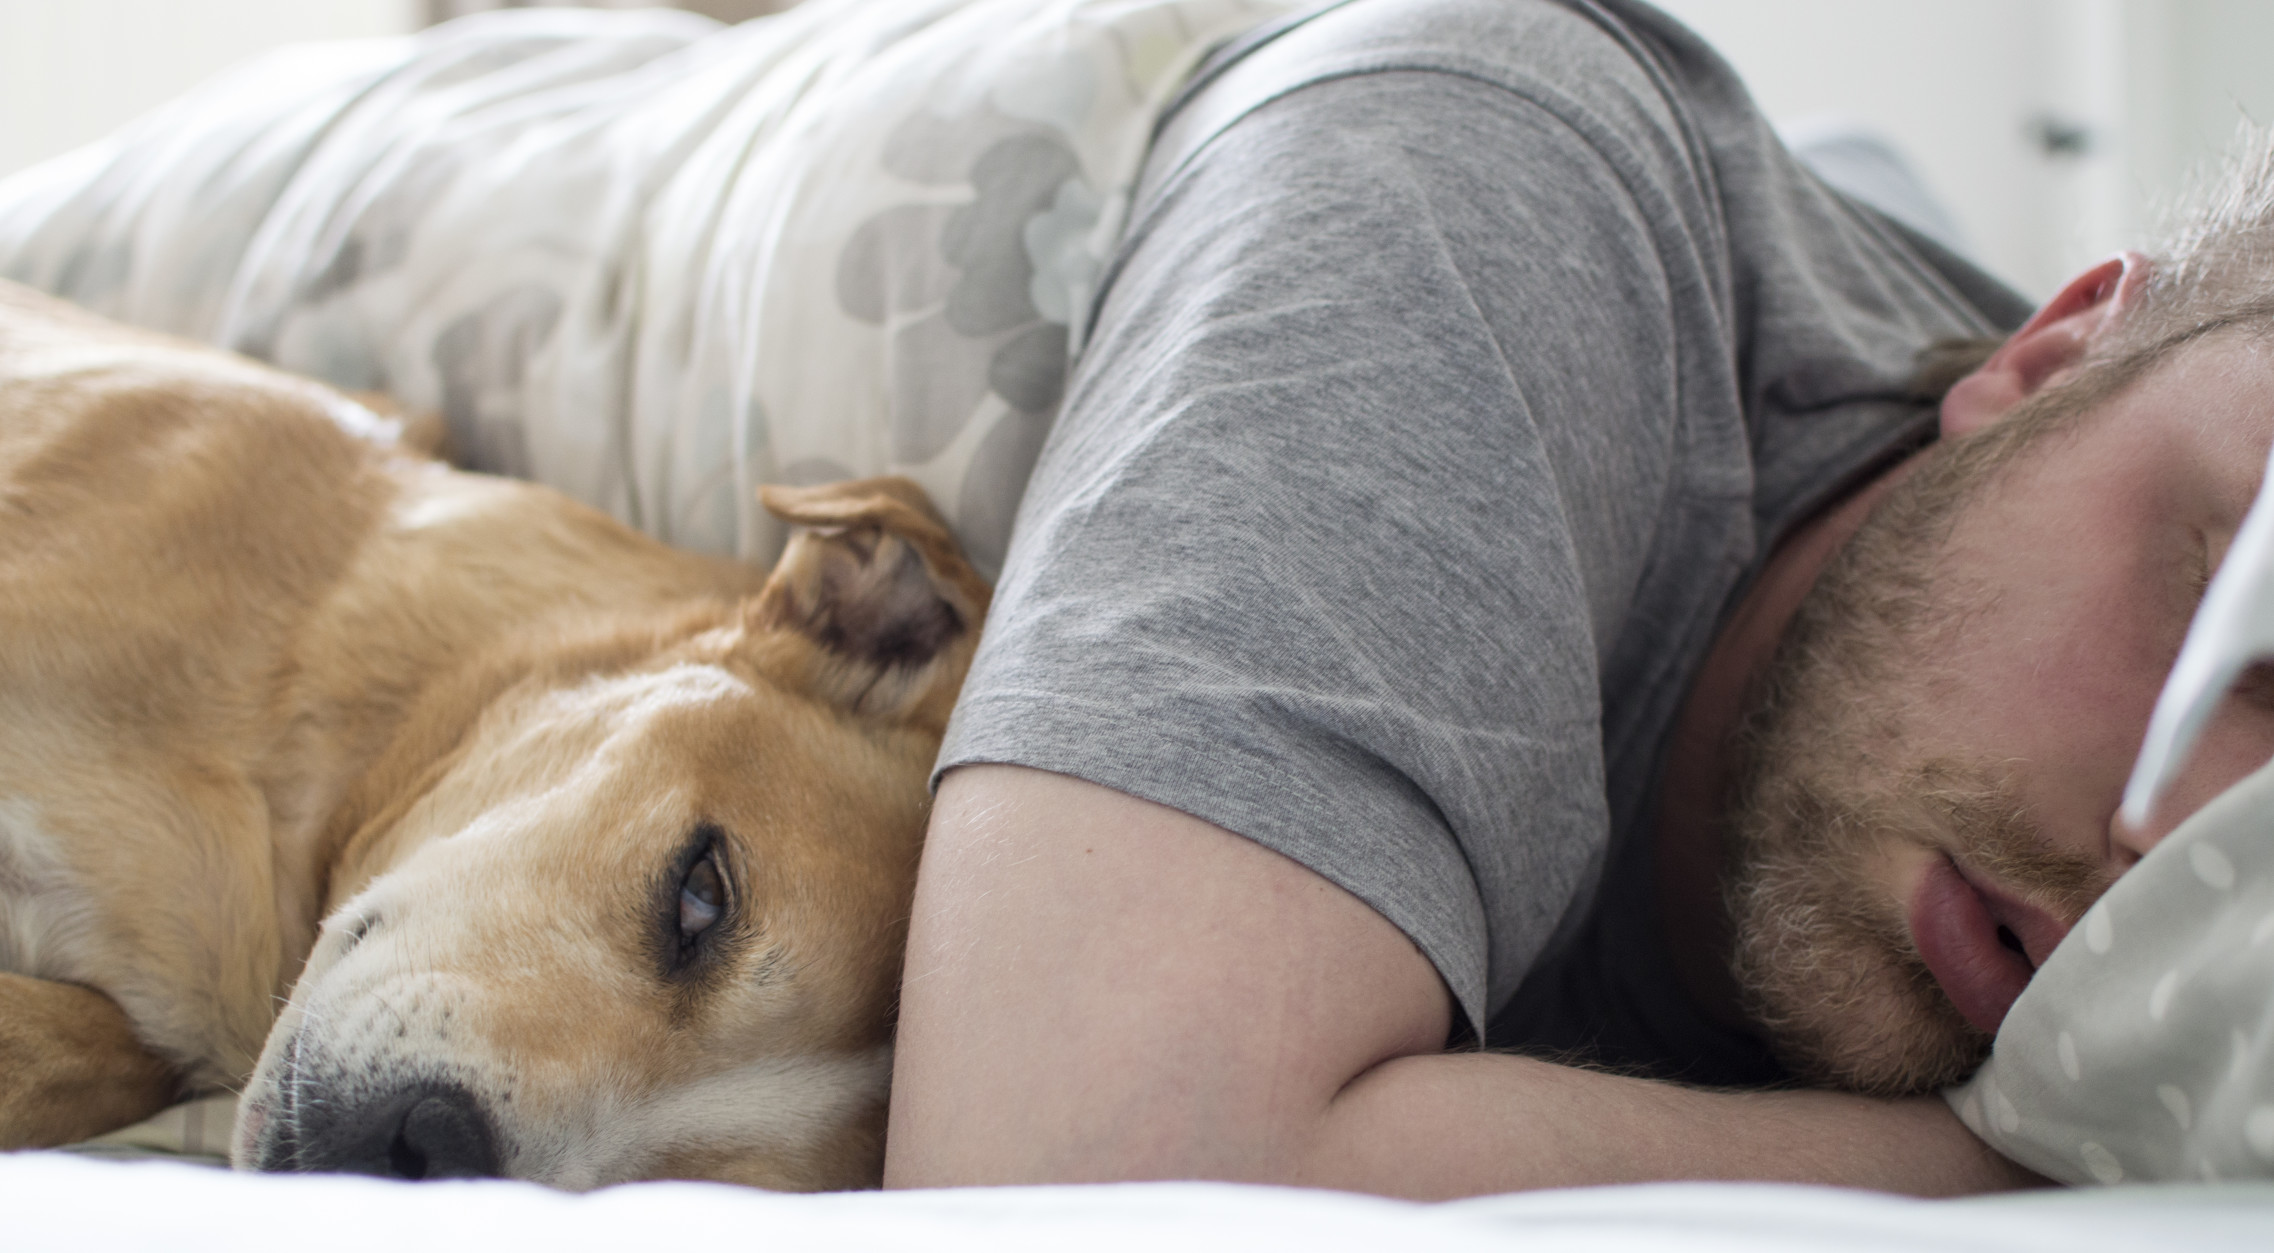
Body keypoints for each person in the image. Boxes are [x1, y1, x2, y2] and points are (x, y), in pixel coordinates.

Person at [882, 0, 2274, 1196]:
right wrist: (2039, 1154)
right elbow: (1072, 1176)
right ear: (2049, 360)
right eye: (2215, 598)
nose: (2156, 842)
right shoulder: (1474, 181)